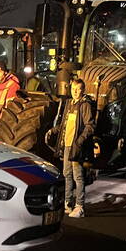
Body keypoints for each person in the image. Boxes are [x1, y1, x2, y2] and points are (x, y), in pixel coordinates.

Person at [45, 78, 96, 217]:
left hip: (76, 147)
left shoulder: (85, 105)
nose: (75, 91)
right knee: (67, 175)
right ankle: (68, 204)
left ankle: (80, 207)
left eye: (78, 89)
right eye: (73, 88)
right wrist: (53, 130)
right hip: (66, 145)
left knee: (78, 176)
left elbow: (90, 126)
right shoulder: (69, 103)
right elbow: (64, 124)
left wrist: (79, 142)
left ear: (82, 90)